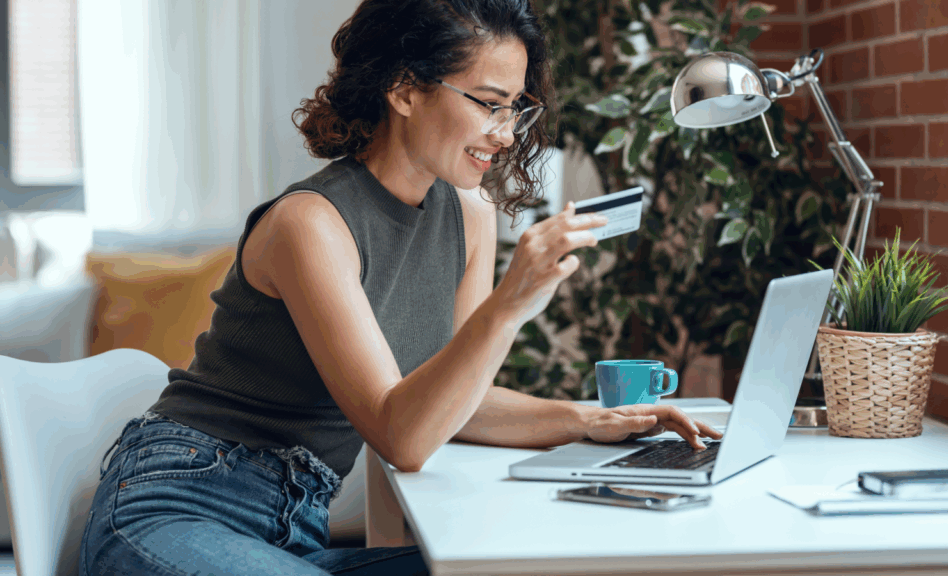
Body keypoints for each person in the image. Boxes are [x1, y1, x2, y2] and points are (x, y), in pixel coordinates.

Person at [78, 0, 722, 574]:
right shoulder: (310, 225)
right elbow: (403, 438)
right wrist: (510, 307)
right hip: (177, 507)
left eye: (516, 107)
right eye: (487, 102)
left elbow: (454, 401)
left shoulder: (468, 216)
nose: (505, 132)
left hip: (290, 535)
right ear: (405, 90)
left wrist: (595, 421)